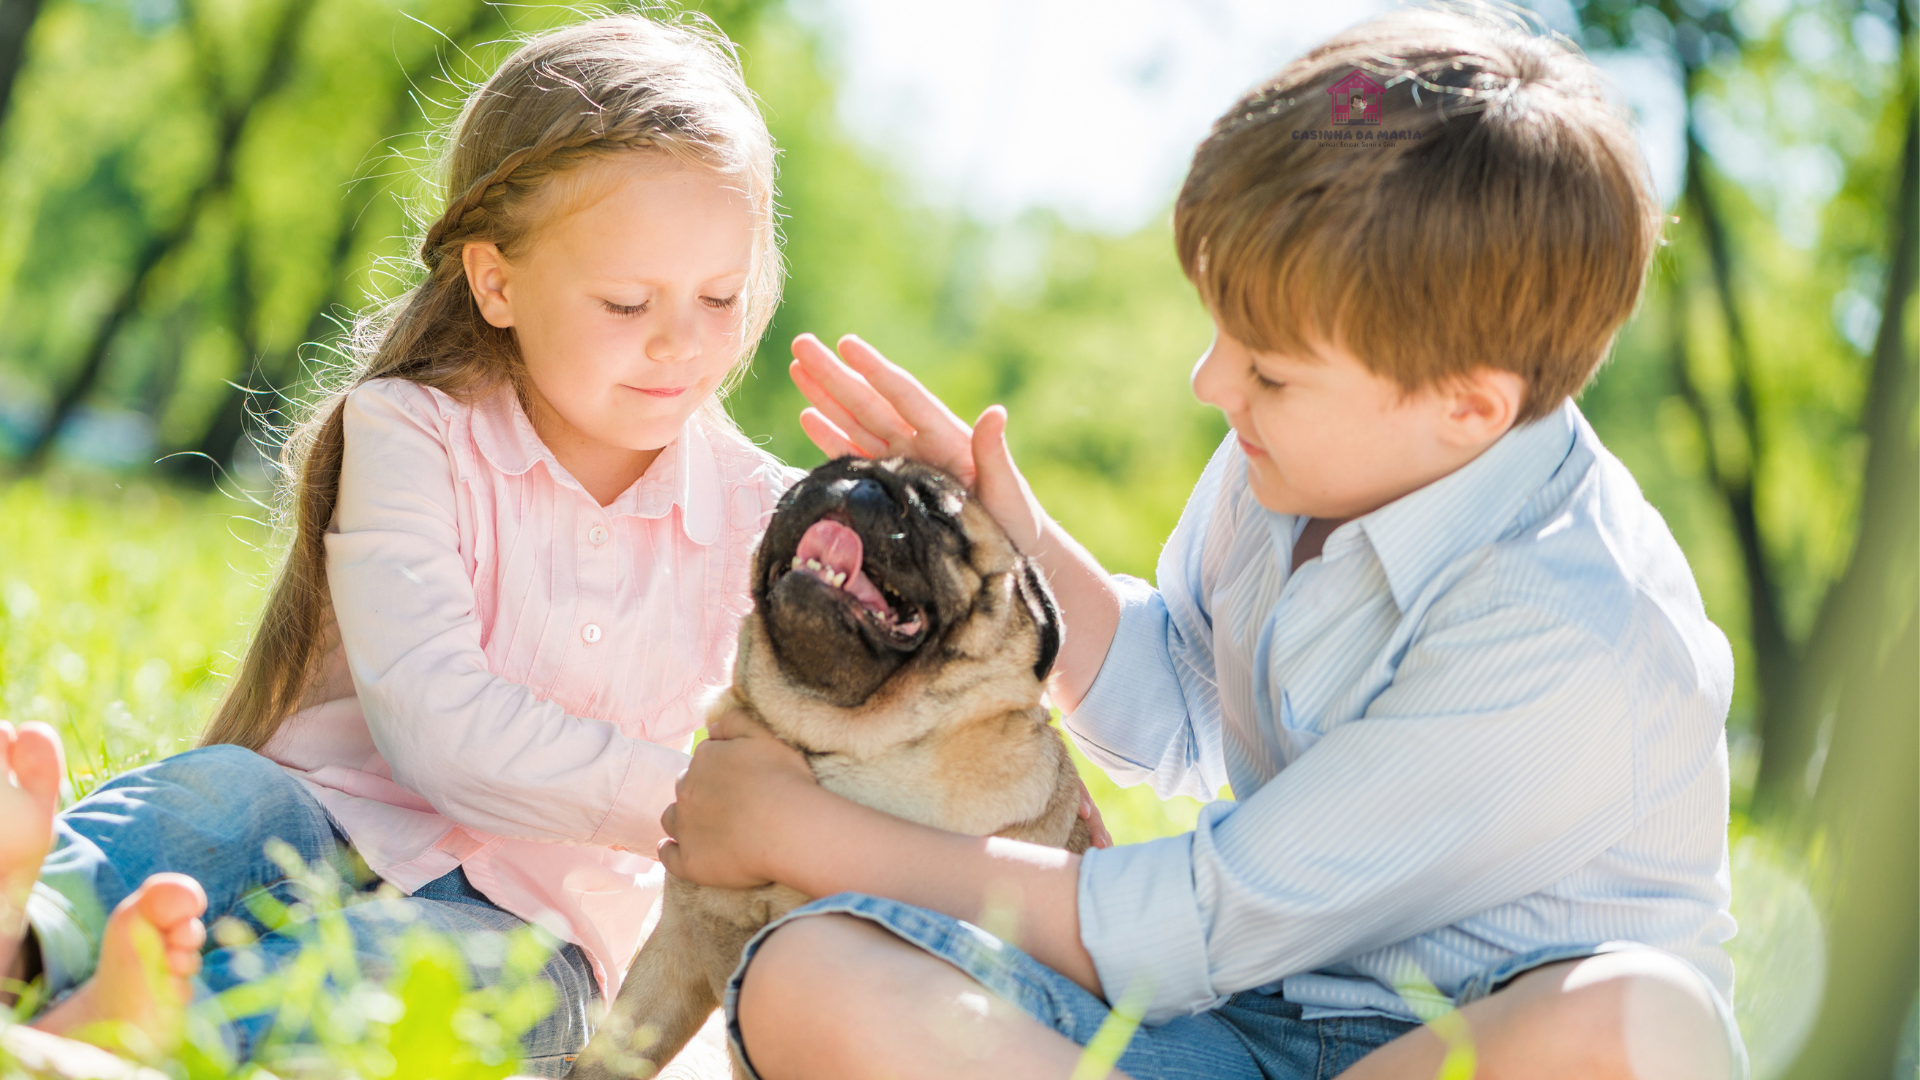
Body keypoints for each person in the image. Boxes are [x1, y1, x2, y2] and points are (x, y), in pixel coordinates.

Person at [659, 8, 1745, 1080]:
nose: (1213, 385)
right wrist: (1013, 543)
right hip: (1238, 1035)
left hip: (1452, 1050)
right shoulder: (1297, 462)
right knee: (811, 973)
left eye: (1269, 370)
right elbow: (1184, 692)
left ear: (1466, 406)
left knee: (1638, 1022)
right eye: (1223, 334)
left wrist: (792, 833)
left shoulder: (1570, 626)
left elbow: (1193, 923)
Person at [0, 15, 796, 1073]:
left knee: (413, 984)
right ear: (496, 282)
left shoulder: (769, 525)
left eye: (721, 297)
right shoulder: (413, 430)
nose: (680, 340)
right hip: (325, 814)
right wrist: (703, 802)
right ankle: (27, 926)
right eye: (625, 300)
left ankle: (147, 1034)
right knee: (211, 802)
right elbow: (439, 720)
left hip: (539, 929)